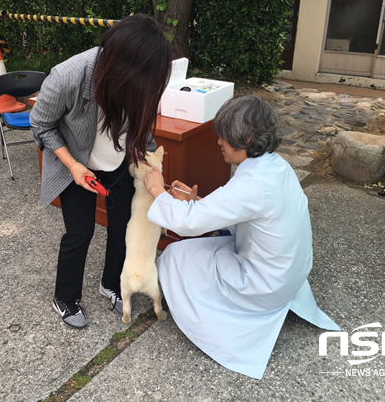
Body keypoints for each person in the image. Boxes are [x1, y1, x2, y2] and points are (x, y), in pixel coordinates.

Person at [143, 95, 340, 379]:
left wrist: (156, 191)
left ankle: (216, 321)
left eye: (224, 136)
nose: (219, 142)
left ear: (246, 139)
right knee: (204, 248)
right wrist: (198, 200)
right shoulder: (276, 166)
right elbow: (239, 211)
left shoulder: (253, 182)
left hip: (264, 286)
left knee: (175, 255)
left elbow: (188, 223)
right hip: (287, 275)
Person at [30, 14, 172, 329]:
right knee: (80, 232)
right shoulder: (68, 76)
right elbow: (40, 124)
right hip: (76, 163)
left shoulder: (137, 80)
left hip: (117, 162)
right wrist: (73, 165)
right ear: (119, 64)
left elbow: (142, 130)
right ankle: (65, 297)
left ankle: (110, 284)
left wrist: (154, 165)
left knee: (123, 225)